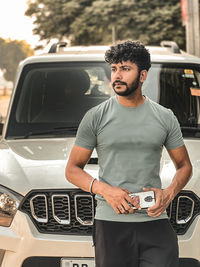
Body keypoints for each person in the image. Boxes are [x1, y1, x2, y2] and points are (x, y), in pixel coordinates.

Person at [65, 40, 192, 267]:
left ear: (142, 76)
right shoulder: (95, 117)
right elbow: (73, 169)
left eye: (125, 69)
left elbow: (184, 166)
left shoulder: (165, 117)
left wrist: (169, 193)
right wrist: (106, 191)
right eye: (114, 69)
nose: (117, 75)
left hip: (155, 222)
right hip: (111, 223)